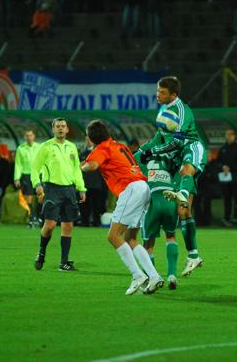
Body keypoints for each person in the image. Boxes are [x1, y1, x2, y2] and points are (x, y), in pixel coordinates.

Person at [81, 120, 164, 295]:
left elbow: (93, 165)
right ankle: (154, 276)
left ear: (92, 137)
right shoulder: (119, 145)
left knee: (113, 236)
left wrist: (79, 167)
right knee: (130, 238)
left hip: (130, 188)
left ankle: (137, 275)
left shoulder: (102, 148)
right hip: (143, 187)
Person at [139, 76, 206, 277]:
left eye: (162, 92)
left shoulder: (182, 110)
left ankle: (182, 193)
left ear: (174, 94)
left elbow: (178, 142)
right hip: (176, 159)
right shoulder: (163, 110)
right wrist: (140, 152)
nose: (158, 95)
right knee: (183, 211)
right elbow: (159, 138)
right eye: (158, 91)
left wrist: (153, 151)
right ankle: (193, 256)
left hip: (191, 148)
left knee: (187, 170)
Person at [32, 118, 86, 272]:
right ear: (53, 129)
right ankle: (41, 252)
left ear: (67, 129)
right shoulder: (46, 147)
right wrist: (37, 184)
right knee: (49, 225)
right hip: (52, 189)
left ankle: (64, 262)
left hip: (69, 190)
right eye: (58, 126)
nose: (61, 129)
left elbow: (76, 169)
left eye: (63, 126)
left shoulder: (72, 147)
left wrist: (81, 188)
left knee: (68, 225)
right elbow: (35, 167)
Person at [136, 151, 181, 290]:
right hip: (170, 198)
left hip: (153, 199)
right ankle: (172, 275)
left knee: (148, 244)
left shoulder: (142, 157)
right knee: (171, 236)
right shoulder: (171, 157)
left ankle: (152, 277)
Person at [217, 128, 237, 226]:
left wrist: (230, 168)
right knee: (227, 199)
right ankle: (227, 218)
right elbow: (218, 162)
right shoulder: (223, 149)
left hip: (236, 178)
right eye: (227, 135)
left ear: (234, 136)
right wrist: (223, 167)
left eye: (230, 135)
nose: (228, 137)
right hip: (225, 179)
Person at [14, 129, 42, 228]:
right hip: (26, 175)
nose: (29, 137)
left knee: (40, 196)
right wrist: (17, 178)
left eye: (30, 135)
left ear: (34, 136)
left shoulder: (40, 147)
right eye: (27, 136)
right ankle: (32, 218)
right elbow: (18, 164)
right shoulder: (21, 148)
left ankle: (39, 217)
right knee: (28, 197)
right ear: (24, 137)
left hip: (38, 174)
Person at [78, 136, 108, 227]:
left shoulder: (99, 153)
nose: (88, 141)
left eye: (90, 139)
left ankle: (96, 222)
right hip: (85, 184)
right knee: (84, 205)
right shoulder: (82, 154)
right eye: (86, 139)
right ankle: (85, 222)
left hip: (97, 184)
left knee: (97, 205)